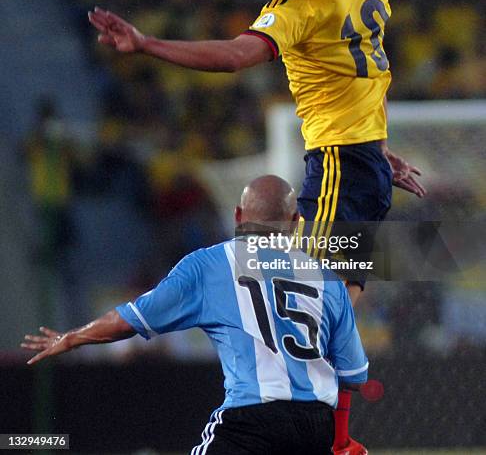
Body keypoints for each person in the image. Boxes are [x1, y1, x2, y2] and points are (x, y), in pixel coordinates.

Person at [88, 0, 426, 453]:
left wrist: (146, 43)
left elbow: (232, 57)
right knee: (323, 301)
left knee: (310, 301)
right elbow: (359, 80)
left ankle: (332, 441)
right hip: (357, 162)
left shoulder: (297, 9)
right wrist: (375, 152)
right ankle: (336, 438)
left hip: (342, 165)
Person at [22, 175, 369, 455]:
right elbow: (354, 373)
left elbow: (132, 319)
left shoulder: (211, 265)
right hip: (316, 427)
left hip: (253, 419)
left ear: (237, 215)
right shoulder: (325, 277)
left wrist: (72, 337)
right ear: (295, 222)